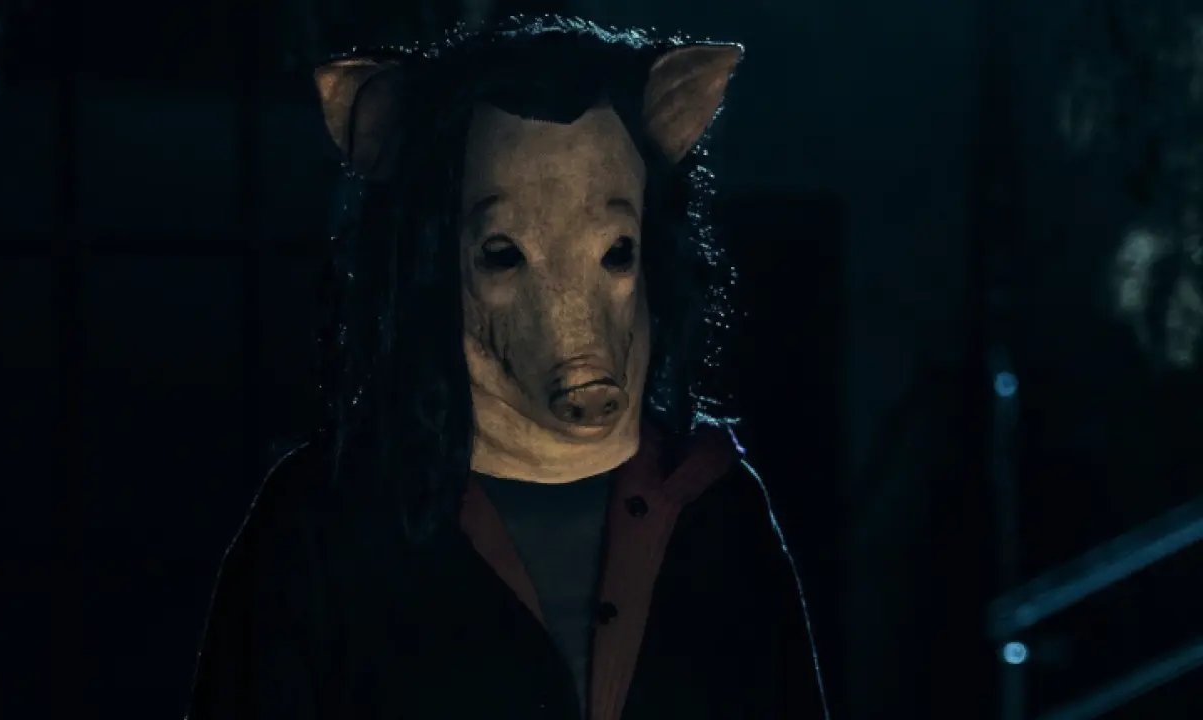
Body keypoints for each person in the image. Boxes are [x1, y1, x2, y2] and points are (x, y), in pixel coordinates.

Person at [185, 16, 829, 720]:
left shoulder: (718, 508)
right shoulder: (323, 524)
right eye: (502, 256)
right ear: (430, 261)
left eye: (616, 253)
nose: (573, 331)